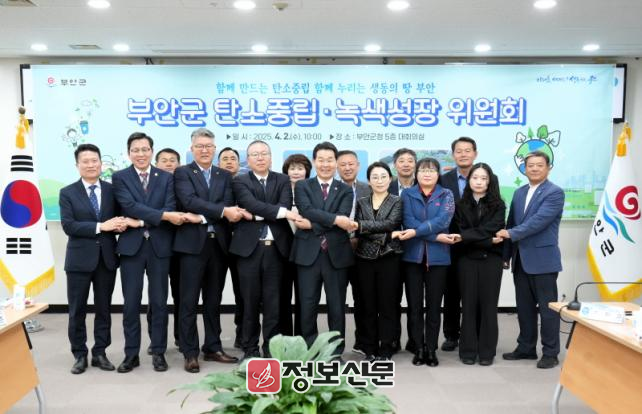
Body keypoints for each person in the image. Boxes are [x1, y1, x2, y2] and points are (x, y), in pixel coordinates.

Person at [112, 132, 186, 373]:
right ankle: (131, 354)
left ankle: (159, 352)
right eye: (136, 150)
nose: (140, 154)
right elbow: (129, 206)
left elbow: (170, 207)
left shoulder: (166, 177)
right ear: (129, 153)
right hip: (131, 248)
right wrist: (160, 216)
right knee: (131, 304)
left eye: (145, 149)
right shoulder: (120, 177)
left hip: (159, 247)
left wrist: (140, 221)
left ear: (151, 152)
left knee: (159, 302)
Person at [173, 128, 245, 373]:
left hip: (219, 245)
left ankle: (213, 347)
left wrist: (205, 215)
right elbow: (188, 201)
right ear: (192, 149)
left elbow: (227, 203)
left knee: (213, 300)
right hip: (191, 246)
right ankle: (190, 352)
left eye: (208, 146)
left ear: (214, 149)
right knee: (188, 301)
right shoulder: (182, 172)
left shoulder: (224, 175)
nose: (204, 150)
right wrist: (220, 212)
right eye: (200, 146)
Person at [59, 144, 127, 374]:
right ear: (77, 165)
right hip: (78, 260)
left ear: (100, 163)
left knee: (104, 309)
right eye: (85, 161)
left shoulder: (112, 190)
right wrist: (101, 226)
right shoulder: (67, 192)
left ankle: (100, 352)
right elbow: (69, 226)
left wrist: (120, 224)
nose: (90, 165)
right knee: (77, 310)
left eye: (94, 160)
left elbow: (120, 217)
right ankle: (79, 354)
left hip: (106, 259)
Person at [231, 140, 299, 360]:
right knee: (249, 302)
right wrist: (276, 213)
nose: (260, 158)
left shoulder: (282, 179)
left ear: (271, 157)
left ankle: (271, 348)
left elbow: (284, 206)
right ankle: (250, 349)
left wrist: (255, 216)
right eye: (255, 154)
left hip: (277, 250)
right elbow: (249, 203)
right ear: (248, 159)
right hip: (249, 250)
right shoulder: (240, 181)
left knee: (274, 303)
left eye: (264, 153)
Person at [498, 151, 565, 369]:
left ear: (549, 168)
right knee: (524, 308)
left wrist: (510, 234)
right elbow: (511, 222)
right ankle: (526, 348)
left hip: (543, 260)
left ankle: (550, 352)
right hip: (520, 260)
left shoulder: (554, 192)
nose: (534, 168)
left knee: (547, 309)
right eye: (530, 165)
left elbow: (538, 221)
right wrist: (506, 255)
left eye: (539, 165)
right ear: (524, 169)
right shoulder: (519, 192)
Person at [290, 142, 354, 356]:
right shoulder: (303, 186)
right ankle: (309, 350)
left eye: (330, 160)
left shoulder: (345, 189)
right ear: (314, 161)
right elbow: (306, 209)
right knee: (307, 305)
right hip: (307, 254)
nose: (325, 164)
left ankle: (335, 352)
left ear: (336, 162)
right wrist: (335, 220)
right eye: (321, 160)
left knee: (337, 306)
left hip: (336, 255)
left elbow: (343, 216)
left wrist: (312, 224)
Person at [398, 157, 455, 367]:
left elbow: (443, 221)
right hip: (412, 258)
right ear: (416, 174)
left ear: (438, 174)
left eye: (431, 170)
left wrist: (417, 232)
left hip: (438, 259)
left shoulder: (446, 194)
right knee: (414, 307)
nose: (427, 174)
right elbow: (408, 221)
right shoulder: (407, 194)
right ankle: (418, 348)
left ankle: (431, 349)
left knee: (433, 307)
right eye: (423, 170)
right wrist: (436, 236)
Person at [450, 162, 505, 366]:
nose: (479, 182)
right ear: (468, 180)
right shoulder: (459, 204)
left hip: (492, 260)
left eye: (483, 178)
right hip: (466, 259)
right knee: (469, 305)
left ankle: (487, 352)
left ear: (489, 181)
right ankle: (468, 350)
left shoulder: (498, 205)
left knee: (488, 306)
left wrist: (468, 237)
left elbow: (492, 227)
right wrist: (488, 241)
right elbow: (459, 232)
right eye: (475, 178)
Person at [351, 161, 402, 361]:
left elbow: (391, 223)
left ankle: (386, 346)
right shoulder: (361, 201)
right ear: (369, 181)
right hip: (364, 258)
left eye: (383, 176)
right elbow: (358, 228)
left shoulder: (397, 201)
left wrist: (365, 227)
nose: (379, 181)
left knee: (388, 304)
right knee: (367, 305)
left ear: (390, 179)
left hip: (389, 257)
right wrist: (387, 235)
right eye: (375, 177)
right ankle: (369, 347)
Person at [440, 137, 478, 352]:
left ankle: (473, 334)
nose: (463, 154)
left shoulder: (486, 176)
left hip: (476, 243)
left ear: (475, 153)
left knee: (474, 293)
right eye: (459, 151)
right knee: (451, 292)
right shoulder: (444, 179)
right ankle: (451, 335)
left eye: (467, 150)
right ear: (453, 155)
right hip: (450, 243)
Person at [146, 148, 182, 353]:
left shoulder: (185, 184)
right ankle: (155, 340)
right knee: (157, 296)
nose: (169, 164)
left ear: (179, 164)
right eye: (164, 160)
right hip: (157, 245)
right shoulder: (151, 185)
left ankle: (180, 337)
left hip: (181, 248)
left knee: (180, 295)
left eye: (173, 160)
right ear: (156, 164)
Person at [337, 150, 371, 356]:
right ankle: (335, 346)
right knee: (336, 300)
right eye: (343, 164)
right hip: (337, 250)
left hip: (362, 250)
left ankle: (363, 342)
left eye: (351, 164)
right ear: (337, 166)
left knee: (364, 299)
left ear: (358, 166)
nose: (347, 168)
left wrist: (359, 236)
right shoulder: (331, 188)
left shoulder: (368, 188)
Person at [388, 147, 417, 353]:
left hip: (416, 249)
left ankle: (415, 341)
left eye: (410, 160)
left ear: (415, 164)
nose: (406, 164)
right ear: (394, 165)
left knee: (415, 299)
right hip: (391, 251)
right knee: (392, 298)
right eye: (401, 161)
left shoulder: (425, 185)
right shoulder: (385, 186)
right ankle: (393, 340)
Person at [280, 153, 312, 336]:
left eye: (300, 168)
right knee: (282, 295)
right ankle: (284, 337)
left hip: (306, 250)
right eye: (292, 168)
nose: (296, 172)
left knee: (304, 296)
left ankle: (302, 337)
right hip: (282, 250)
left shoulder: (312, 190)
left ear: (307, 171)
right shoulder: (279, 190)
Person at [217, 146, 244, 348]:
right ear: (218, 164)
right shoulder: (213, 184)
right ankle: (213, 340)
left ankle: (242, 334)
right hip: (217, 244)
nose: (228, 161)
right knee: (213, 293)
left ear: (239, 163)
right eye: (224, 158)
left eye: (233, 158)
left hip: (242, 246)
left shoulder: (246, 183)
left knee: (243, 293)